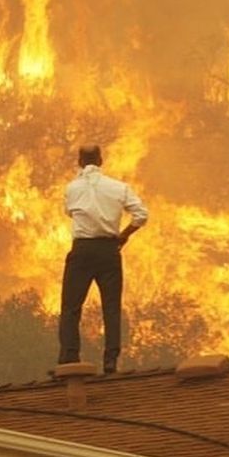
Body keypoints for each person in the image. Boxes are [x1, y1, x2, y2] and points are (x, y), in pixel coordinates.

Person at [58, 144, 148, 374]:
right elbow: (141, 214)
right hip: (109, 250)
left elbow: (70, 212)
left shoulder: (72, 189)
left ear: (79, 161)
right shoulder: (119, 187)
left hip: (82, 250)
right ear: (101, 160)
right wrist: (124, 236)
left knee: (71, 307)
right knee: (111, 307)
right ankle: (110, 361)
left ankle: (69, 359)